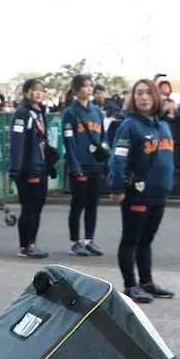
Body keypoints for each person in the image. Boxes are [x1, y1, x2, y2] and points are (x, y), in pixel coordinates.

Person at [107, 78, 176, 304]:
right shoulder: (129, 126)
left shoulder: (163, 126)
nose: (143, 97)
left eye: (148, 93)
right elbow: (118, 158)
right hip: (137, 193)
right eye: (138, 93)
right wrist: (117, 187)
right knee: (131, 240)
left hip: (159, 193)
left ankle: (147, 282)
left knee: (146, 240)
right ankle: (130, 285)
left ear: (156, 97)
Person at [61, 73, 106, 256]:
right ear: (77, 89)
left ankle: (89, 239)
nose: (88, 89)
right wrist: (75, 166)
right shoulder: (70, 113)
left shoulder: (97, 111)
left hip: (94, 163)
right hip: (79, 165)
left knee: (92, 204)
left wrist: (104, 152)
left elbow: (103, 137)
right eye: (84, 86)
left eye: (90, 86)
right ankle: (75, 241)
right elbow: (69, 142)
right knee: (78, 204)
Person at [8, 78, 53, 258]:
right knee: (29, 208)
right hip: (29, 169)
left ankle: (32, 243)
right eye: (34, 90)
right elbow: (17, 143)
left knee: (37, 207)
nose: (38, 93)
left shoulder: (40, 113)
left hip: (40, 167)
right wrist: (17, 169)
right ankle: (25, 246)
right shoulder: (22, 113)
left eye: (41, 90)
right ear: (26, 92)